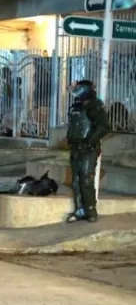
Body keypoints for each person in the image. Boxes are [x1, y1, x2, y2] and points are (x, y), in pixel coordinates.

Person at [65, 80, 109, 223]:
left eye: (79, 88)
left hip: (88, 148)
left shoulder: (95, 105)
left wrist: (89, 142)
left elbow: (103, 127)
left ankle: (90, 210)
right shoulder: (76, 106)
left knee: (86, 179)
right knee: (76, 180)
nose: (75, 91)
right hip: (76, 147)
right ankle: (79, 210)